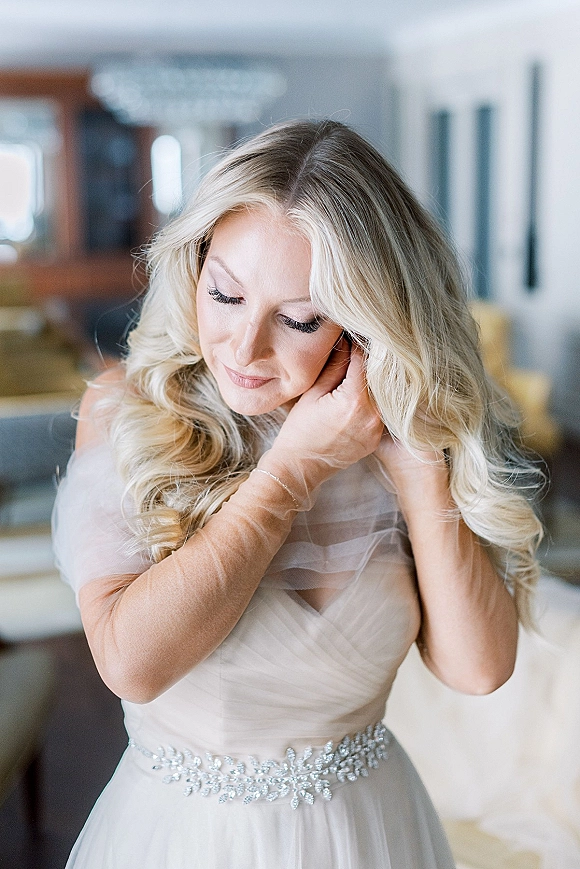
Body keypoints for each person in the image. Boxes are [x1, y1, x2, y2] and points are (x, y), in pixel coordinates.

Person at [52, 119, 543, 868]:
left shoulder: (397, 435)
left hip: (371, 834)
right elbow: (132, 663)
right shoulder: (130, 411)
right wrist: (292, 470)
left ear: (366, 320)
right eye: (224, 293)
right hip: (187, 839)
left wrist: (417, 464)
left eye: (300, 318)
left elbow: (478, 667)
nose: (242, 349)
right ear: (194, 268)